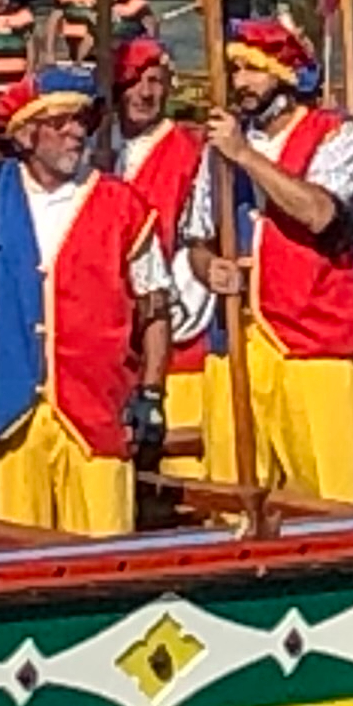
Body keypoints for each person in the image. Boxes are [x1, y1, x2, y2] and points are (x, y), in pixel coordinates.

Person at [0, 66, 174, 535]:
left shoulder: (123, 204)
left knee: (106, 551)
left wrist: (151, 392)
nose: (75, 132)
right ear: (26, 134)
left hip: (95, 409)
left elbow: (156, 308)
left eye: (81, 121)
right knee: (12, 550)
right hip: (8, 414)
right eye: (61, 123)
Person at [192, 18, 353, 504]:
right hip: (237, 339)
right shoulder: (216, 149)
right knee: (234, 495)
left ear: (286, 74)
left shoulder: (337, 137)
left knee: (333, 498)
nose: (241, 83)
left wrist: (245, 156)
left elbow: (319, 213)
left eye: (253, 70)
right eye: (235, 70)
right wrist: (207, 266)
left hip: (313, 342)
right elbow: (196, 237)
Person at [104, 32, 216, 471]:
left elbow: (199, 238)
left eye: (154, 81)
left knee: (184, 464)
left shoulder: (189, 151)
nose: (146, 92)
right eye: (135, 81)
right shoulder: (99, 150)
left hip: (178, 331)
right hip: (113, 336)